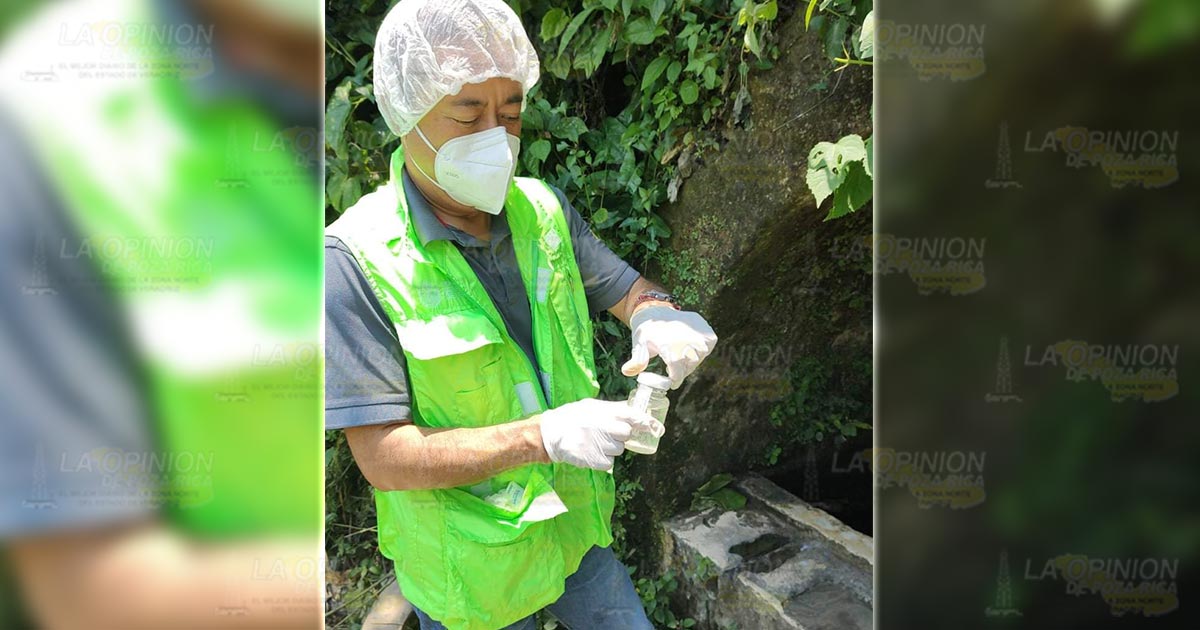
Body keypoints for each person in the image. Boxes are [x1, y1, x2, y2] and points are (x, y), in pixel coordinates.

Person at [324, 1, 718, 628]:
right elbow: (385, 457)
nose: (496, 137)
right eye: (467, 115)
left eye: (509, 114)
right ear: (407, 116)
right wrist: (542, 436)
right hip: (471, 569)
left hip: (571, 534)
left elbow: (626, 288)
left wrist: (656, 314)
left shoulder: (541, 209)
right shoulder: (356, 260)